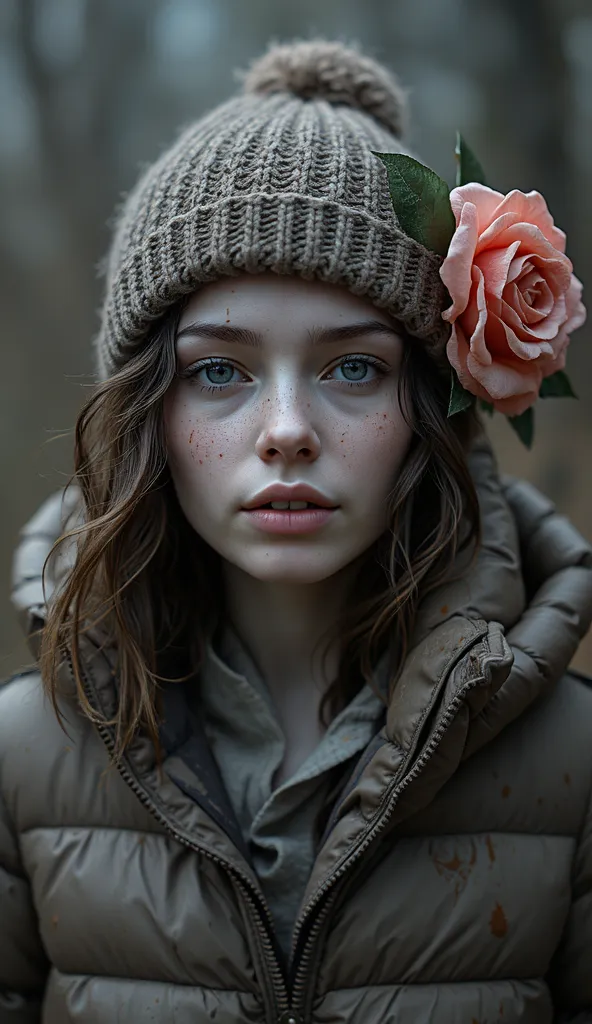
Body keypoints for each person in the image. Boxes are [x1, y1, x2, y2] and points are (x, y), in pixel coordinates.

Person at [1, 37, 592, 1024]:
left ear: (432, 406)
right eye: (219, 371)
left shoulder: (569, 759)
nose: (285, 432)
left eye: (352, 368)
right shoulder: (24, 753)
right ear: (149, 410)